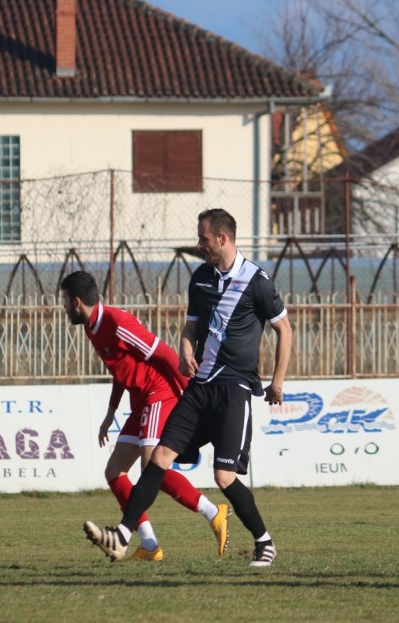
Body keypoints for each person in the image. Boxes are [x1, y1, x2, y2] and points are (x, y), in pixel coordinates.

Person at [84, 208, 293, 568]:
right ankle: (122, 535)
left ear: (222, 239)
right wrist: (184, 350)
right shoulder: (199, 279)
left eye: (203, 239)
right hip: (199, 387)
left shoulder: (256, 280)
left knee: (224, 477)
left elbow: (284, 329)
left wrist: (277, 381)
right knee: (159, 459)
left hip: (235, 388)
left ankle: (264, 542)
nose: (199, 245)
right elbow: (189, 328)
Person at [59, 271, 231, 561]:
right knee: (115, 473)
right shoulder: (92, 326)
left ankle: (214, 512)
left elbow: (163, 354)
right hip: (139, 400)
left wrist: (192, 395)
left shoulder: (116, 322)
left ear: (76, 302)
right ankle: (149, 545)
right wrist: (111, 411)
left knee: (153, 470)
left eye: (64, 301)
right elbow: (120, 369)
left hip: (158, 393)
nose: (62, 307)